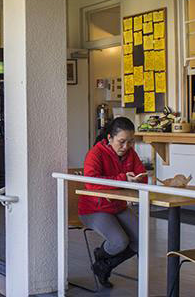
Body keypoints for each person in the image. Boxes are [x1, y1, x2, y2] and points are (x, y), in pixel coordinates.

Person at [78, 117, 148, 288]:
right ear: (109, 138)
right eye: (121, 142)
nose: (126, 147)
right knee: (120, 242)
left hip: (118, 205)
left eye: (130, 142)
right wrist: (123, 179)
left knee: (142, 240)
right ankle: (102, 255)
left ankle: (103, 265)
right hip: (95, 208)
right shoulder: (96, 153)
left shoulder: (131, 153)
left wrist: (138, 181)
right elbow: (91, 182)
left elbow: (142, 176)